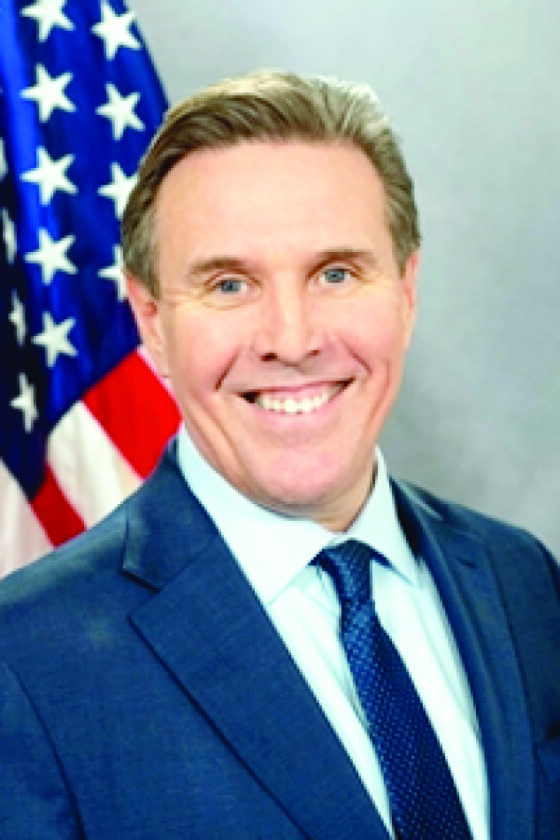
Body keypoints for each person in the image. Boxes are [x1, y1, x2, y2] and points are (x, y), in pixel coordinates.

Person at [0, 69, 559, 840]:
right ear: (152, 320)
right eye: (230, 284)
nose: (292, 340)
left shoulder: (522, 580)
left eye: (336, 273)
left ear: (406, 290)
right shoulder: (26, 663)